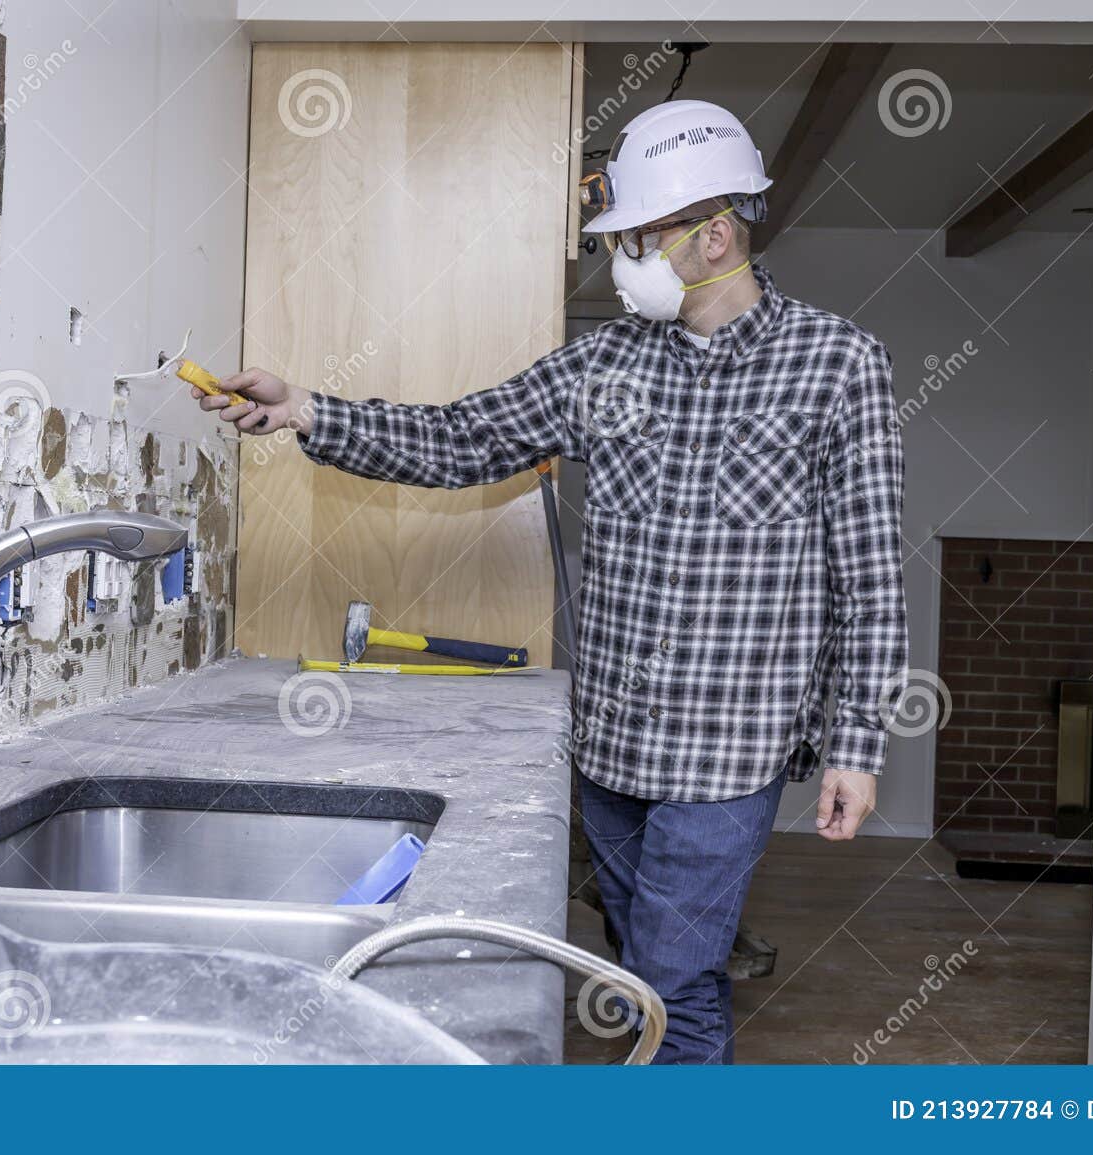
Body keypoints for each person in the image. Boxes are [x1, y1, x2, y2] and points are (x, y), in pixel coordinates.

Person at [196, 98, 907, 1064]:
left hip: (730, 751)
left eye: (638, 239)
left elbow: (870, 577)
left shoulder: (838, 366)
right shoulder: (600, 364)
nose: (621, 262)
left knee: (672, 981)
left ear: (714, 235)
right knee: (638, 965)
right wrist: (310, 410)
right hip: (610, 746)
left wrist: (857, 745)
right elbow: (461, 437)